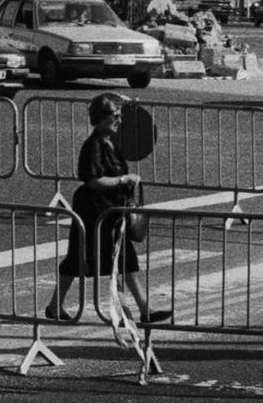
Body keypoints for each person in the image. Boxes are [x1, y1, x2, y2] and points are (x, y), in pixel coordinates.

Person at [44, 93, 171, 326]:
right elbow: (93, 180)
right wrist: (123, 180)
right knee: (79, 261)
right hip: (94, 212)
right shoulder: (93, 145)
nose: (119, 120)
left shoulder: (112, 141)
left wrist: (131, 109)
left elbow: (135, 135)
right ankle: (55, 306)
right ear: (100, 118)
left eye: (120, 116)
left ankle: (144, 309)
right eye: (114, 116)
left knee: (126, 260)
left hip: (110, 212)